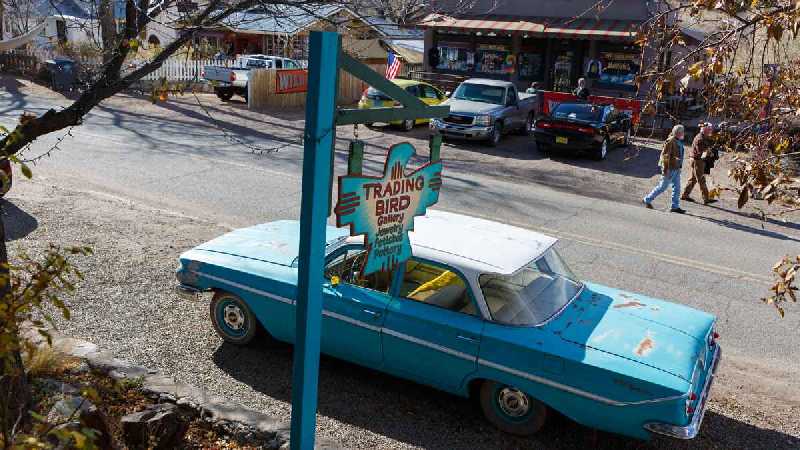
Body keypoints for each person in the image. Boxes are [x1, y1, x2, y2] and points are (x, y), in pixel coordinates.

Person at [643, 124, 686, 213]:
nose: (683, 133)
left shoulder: (678, 141)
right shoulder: (670, 141)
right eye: (682, 132)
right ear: (678, 133)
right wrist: (665, 170)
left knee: (677, 188)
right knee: (662, 187)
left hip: (676, 169)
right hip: (669, 169)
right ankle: (647, 199)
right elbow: (665, 156)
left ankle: (675, 206)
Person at [681, 123, 718, 205]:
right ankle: (706, 198)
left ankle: (685, 195)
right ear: (705, 130)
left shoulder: (702, 137)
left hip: (696, 160)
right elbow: (701, 152)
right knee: (701, 179)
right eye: (709, 130)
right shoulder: (700, 139)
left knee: (693, 179)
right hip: (698, 161)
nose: (710, 131)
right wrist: (710, 153)